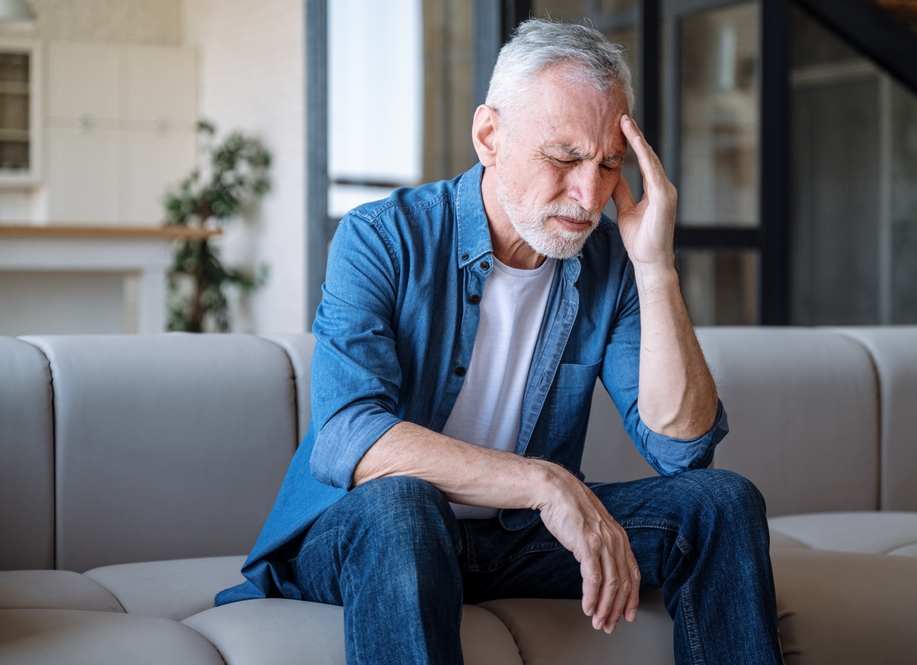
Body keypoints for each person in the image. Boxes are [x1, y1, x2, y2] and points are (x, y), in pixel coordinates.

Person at [217, 19, 783, 665]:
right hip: (366, 532)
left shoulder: (609, 264)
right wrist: (543, 482)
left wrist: (656, 266)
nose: (590, 194)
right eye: (565, 157)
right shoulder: (381, 237)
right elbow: (349, 432)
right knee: (404, 505)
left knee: (722, 503)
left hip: (514, 540)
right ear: (489, 136)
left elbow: (683, 449)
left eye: (608, 164)